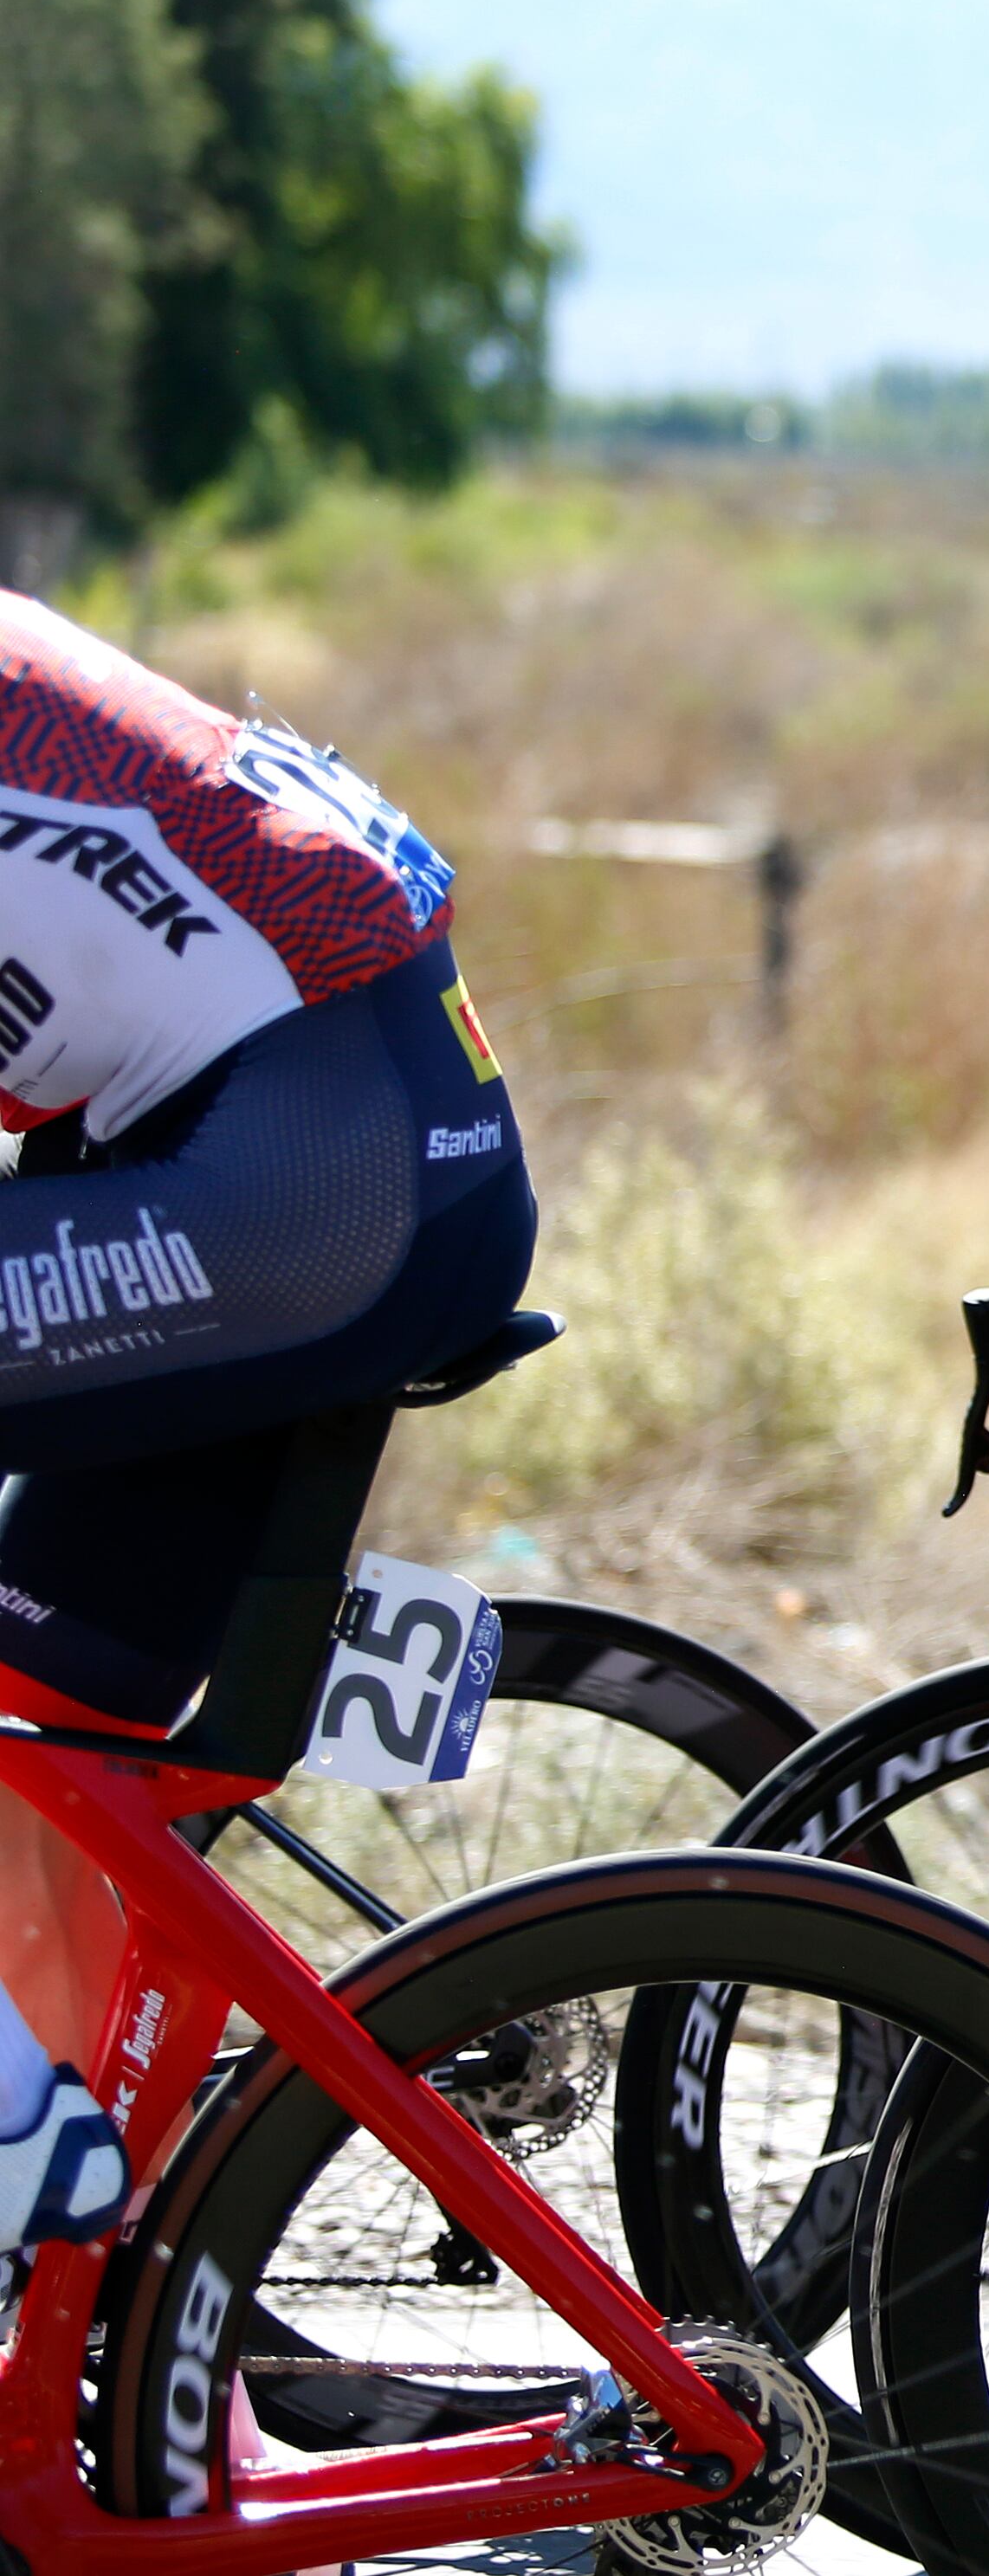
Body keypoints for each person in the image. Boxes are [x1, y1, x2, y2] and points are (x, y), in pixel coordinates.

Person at [0, 589, 534, 2250]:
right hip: (306, 1140)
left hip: (307, 1180)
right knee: (49, 1740)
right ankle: (121, 2318)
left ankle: (22, 2126)